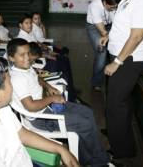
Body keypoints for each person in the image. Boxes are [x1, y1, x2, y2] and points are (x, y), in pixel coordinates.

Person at [7, 38, 115, 167]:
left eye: (28, 53)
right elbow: (30, 106)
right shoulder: (18, 78)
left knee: (87, 112)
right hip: (41, 119)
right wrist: (52, 98)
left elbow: (36, 77)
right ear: (11, 58)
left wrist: (48, 87)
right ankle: (100, 162)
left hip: (48, 106)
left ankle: (90, 158)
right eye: (22, 55)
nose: (28, 58)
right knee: (84, 123)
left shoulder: (26, 67)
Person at [101, 0, 143, 160]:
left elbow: (137, 35)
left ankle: (122, 150)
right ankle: (117, 133)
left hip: (129, 59)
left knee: (116, 103)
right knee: (119, 101)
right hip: (123, 55)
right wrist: (109, 36)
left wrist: (117, 62)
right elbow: (125, 25)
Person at [86, 0, 121, 91]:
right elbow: (103, 31)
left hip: (110, 26)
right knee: (101, 51)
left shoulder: (114, 3)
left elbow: (117, 23)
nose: (114, 9)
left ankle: (112, 74)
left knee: (114, 48)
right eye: (111, 7)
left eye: (115, 6)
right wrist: (108, 37)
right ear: (105, 3)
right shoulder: (94, 6)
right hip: (94, 27)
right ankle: (96, 82)